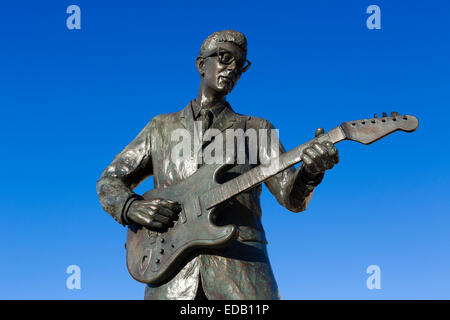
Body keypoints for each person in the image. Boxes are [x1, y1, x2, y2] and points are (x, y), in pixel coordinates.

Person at [96, 30, 339, 299]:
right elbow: (110, 180)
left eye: (240, 64)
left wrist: (311, 171)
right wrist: (131, 207)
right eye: (224, 58)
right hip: (169, 274)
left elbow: (292, 199)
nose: (233, 68)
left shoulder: (258, 130)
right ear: (201, 65)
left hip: (242, 271)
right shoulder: (160, 128)